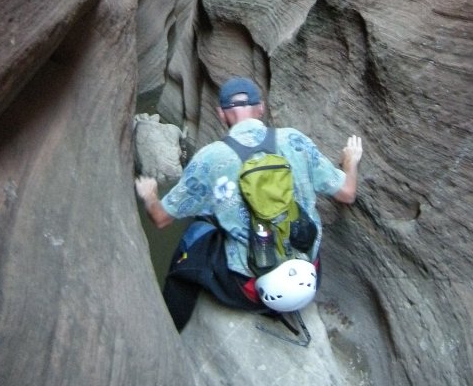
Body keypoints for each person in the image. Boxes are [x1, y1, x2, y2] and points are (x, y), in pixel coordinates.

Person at [135, 76, 363, 331]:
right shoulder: (294, 141)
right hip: (309, 276)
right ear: (261, 108)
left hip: (249, 291)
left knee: (197, 229)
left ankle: (169, 329)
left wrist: (150, 194)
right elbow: (347, 193)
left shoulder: (211, 158)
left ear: (222, 114)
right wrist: (350, 163)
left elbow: (160, 218)